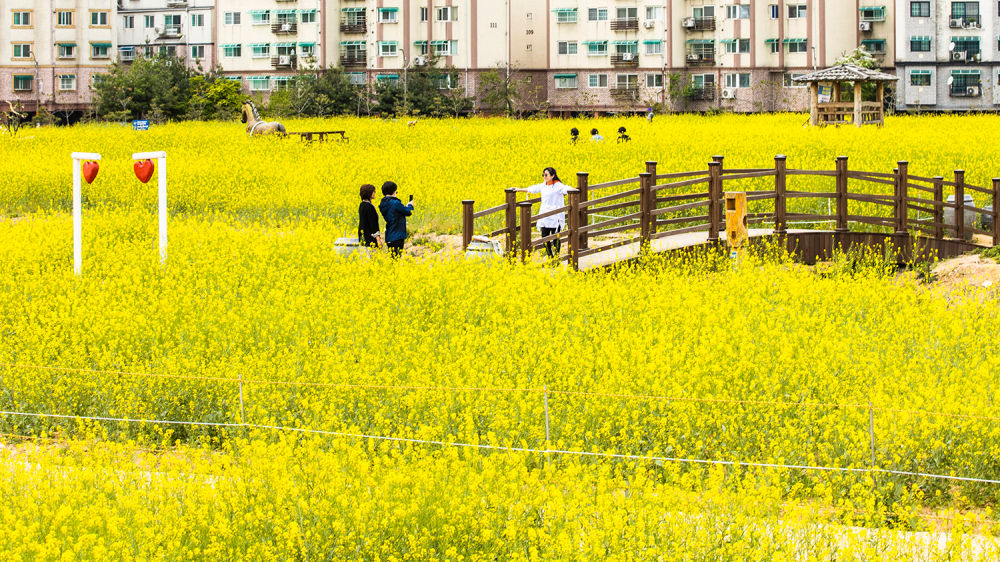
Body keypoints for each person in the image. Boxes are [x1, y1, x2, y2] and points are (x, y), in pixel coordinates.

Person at [510, 167, 571, 258]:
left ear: (552, 176)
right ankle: (550, 256)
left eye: (546, 175)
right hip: (544, 216)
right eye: (543, 175)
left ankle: (557, 256)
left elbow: (566, 189)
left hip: (555, 216)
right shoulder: (543, 185)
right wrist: (518, 189)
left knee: (555, 237)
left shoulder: (558, 186)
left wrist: (574, 190)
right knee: (544, 237)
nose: (544, 177)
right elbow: (533, 189)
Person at [378, 181, 414, 257]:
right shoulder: (395, 203)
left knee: (393, 259)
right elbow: (408, 212)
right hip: (397, 235)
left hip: (389, 235)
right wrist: (410, 205)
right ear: (393, 192)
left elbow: (394, 212)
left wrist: (404, 207)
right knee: (396, 258)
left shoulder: (383, 204)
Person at [357, 184, 382, 249]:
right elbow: (373, 224)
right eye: (373, 191)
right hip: (370, 239)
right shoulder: (369, 206)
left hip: (363, 237)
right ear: (368, 193)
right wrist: (378, 239)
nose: (374, 193)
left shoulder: (361, 205)